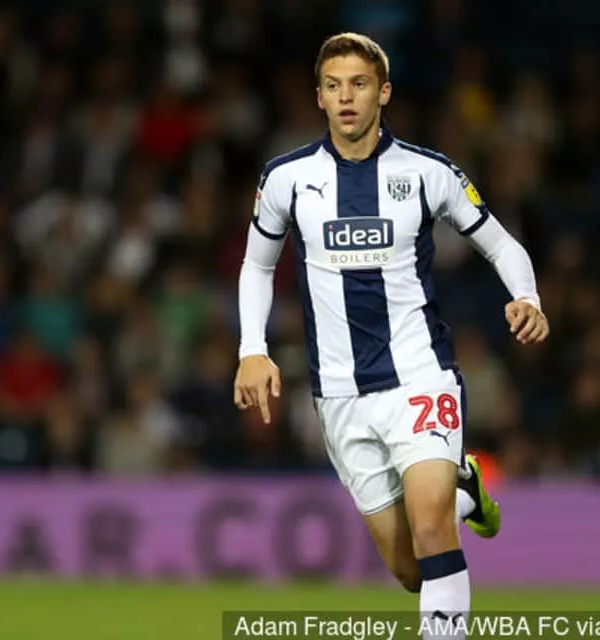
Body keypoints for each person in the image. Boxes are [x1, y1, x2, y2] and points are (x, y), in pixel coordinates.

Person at [233, 33, 549, 634]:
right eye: (333, 86)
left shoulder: (428, 173)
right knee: (410, 570)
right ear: (319, 97)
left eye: (358, 84)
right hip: (340, 394)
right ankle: (464, 489)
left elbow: (501, 244)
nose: (346, 97)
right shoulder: (286, 178)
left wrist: (526, 296)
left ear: (384, 92)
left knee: (431, 530)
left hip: (419, 376)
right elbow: (256, 265)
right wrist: (253, 350)